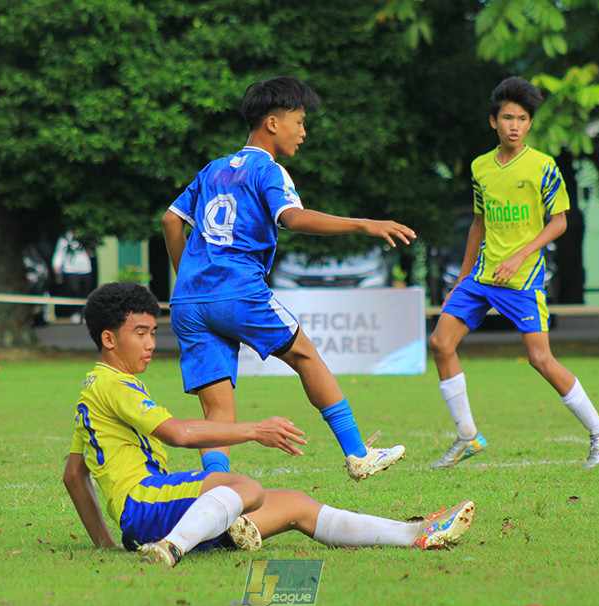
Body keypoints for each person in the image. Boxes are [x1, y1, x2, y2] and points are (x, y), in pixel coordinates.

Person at [61, 282, 476, 567]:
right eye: (140, 333)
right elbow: (179, 434)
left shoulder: (94, 388)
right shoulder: (113, 385)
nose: (151, 344)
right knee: (245, 488)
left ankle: (417, 533)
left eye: (153, 332)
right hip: (147, 506)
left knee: (295, 504)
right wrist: (255, 431)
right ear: (109, 338)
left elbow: (74, 476)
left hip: (156, 516)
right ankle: (171, 549)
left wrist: (108, 545)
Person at [161, 76, 416, 481]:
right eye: (299, 121)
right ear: (273, 123)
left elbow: (171, 219)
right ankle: (358, 453)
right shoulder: (269, 170)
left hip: (189, 302)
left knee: (219, 411)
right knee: (305, 356)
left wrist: (188, 277)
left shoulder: (212, 170)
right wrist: (363, 224)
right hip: (238, 289)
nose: (303, 131)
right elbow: (292, 218)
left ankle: (217, 487)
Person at [428, 76, 599, 471]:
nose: (514, 125)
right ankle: (467, 437)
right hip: (481, 277)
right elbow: (478, 226)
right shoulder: (480, 167)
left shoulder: (543, 166)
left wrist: (519, 257)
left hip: (523, 279)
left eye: (522, 118)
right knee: (441, 343)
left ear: (530, 124)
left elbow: (560, 222)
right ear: (493, 122)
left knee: (540, 359)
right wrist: (462, 280)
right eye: (507, 117)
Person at [52, 231, 94, 322]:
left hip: (86, 269)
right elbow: (59, 253)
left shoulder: (85, 238)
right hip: (71, 269)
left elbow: (91, 253)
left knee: (85, 292)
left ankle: (82, 313)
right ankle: (75, 312)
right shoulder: (65, 239)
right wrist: (57, 266)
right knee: (74, 290)